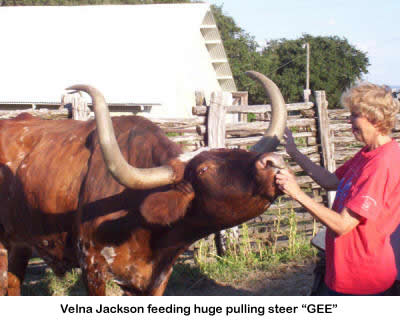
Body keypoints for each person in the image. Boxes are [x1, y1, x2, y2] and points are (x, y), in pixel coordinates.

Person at [276, 82, 400, 295]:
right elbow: (331, 181)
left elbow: (343, 225)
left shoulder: (383, 163)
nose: (349, 120)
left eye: (354, 115)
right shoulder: (367, 154)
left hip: (363, 280)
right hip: (344, 270)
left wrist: (296, 193)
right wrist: (294, 152)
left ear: (375, 118)